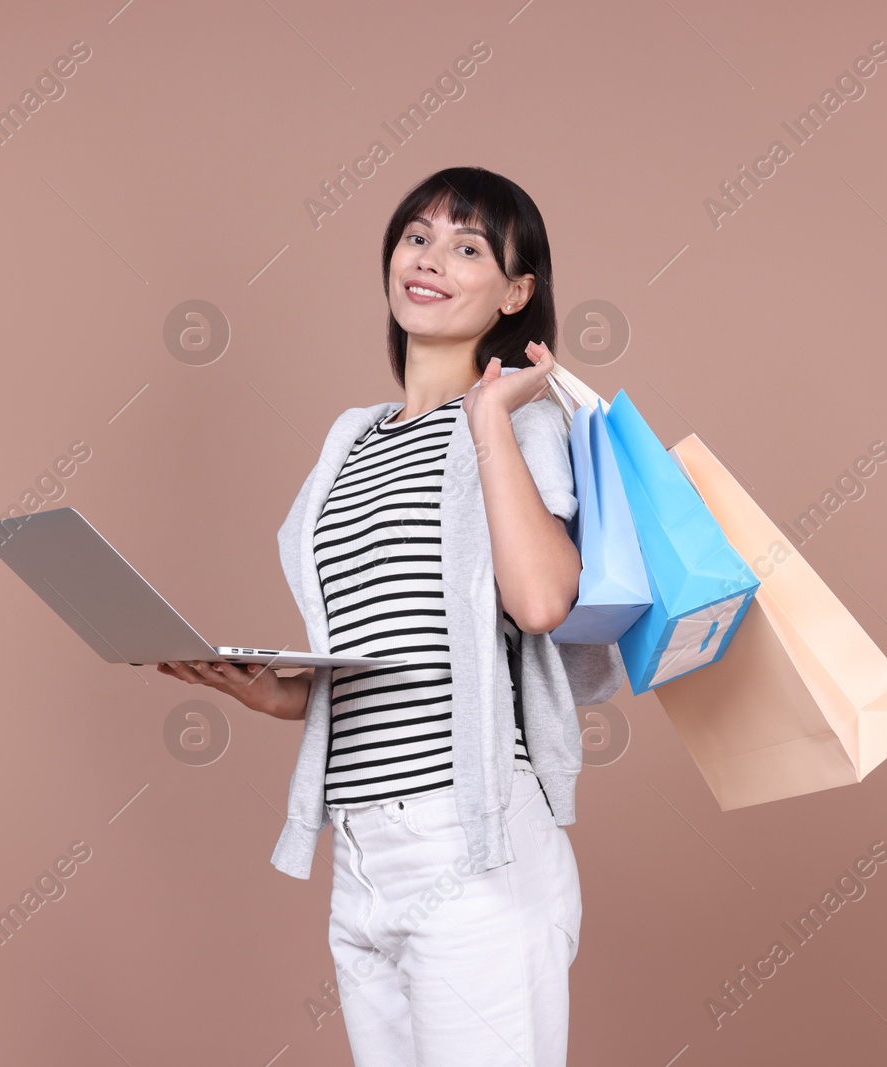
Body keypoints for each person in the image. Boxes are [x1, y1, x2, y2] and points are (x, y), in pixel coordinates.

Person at [157, 166, 624, 1066]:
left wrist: (488, 415)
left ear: (516, 292)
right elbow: (383, 650)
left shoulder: (520, 426)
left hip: (473, 841)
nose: (431, 260)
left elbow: (540, 601)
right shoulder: (348, 441)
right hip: (365, 851)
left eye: (468, 247)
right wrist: (273, 693)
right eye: (417, 236)